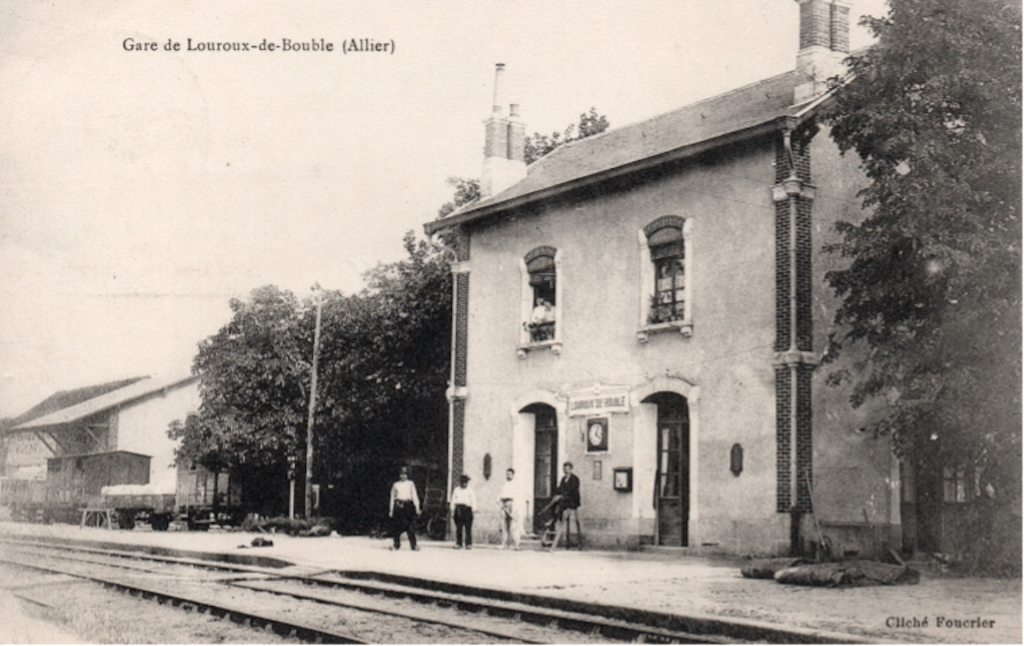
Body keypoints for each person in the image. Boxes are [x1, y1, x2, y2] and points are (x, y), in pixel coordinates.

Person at [549, 461, 582, 552]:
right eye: (565, 469)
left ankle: (558, 519)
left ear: (571, 469)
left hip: (572, 500)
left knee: (561, 502)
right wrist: (556, 494)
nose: (566, 471)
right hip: (565, 499)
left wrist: (562, 496)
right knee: (554, 501)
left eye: (568, 469)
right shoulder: (563, 479)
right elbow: (560, 489)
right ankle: (554, 518)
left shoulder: (575, 479)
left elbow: (572, 491)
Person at [389, 466, 420, 551]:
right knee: (397, 526)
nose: (403, 476)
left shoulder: (411, 484)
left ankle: (413, 545)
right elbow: (392, 497)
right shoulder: (395, 485)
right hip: (399, 506)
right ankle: (396, 545)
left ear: (408, 475)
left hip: (408, 506)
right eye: (401, 474)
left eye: (405, 474)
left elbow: (414, 495)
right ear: (399, 475)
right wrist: (391, 510)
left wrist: (417, 507)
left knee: (410, 526)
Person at [450, 474, 476, 549]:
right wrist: (452, 510)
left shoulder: (470, 490)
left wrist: (473, 511)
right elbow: (453, 500)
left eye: (465, 482)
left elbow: (473, 501)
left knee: (468, 528)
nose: (464, 484)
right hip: (459, 509)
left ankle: (468, 544)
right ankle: (458, 543)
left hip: (467, 509)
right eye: (463, 482)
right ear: (460, 482)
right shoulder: (456, 490)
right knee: (459, 527)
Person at [498, 468, 521, 550]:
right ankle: (504, 543)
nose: (508, 476)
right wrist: (500, 502)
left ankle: (516, 544)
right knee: (504, 525)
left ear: (513, 475)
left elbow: (517, 496)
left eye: (510, 474)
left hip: (512, 504)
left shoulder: (515, 484)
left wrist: (515, 509)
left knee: (513, 526)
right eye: (507, 474)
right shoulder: (504, 484)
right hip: (504, 504)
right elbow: (501, 494)